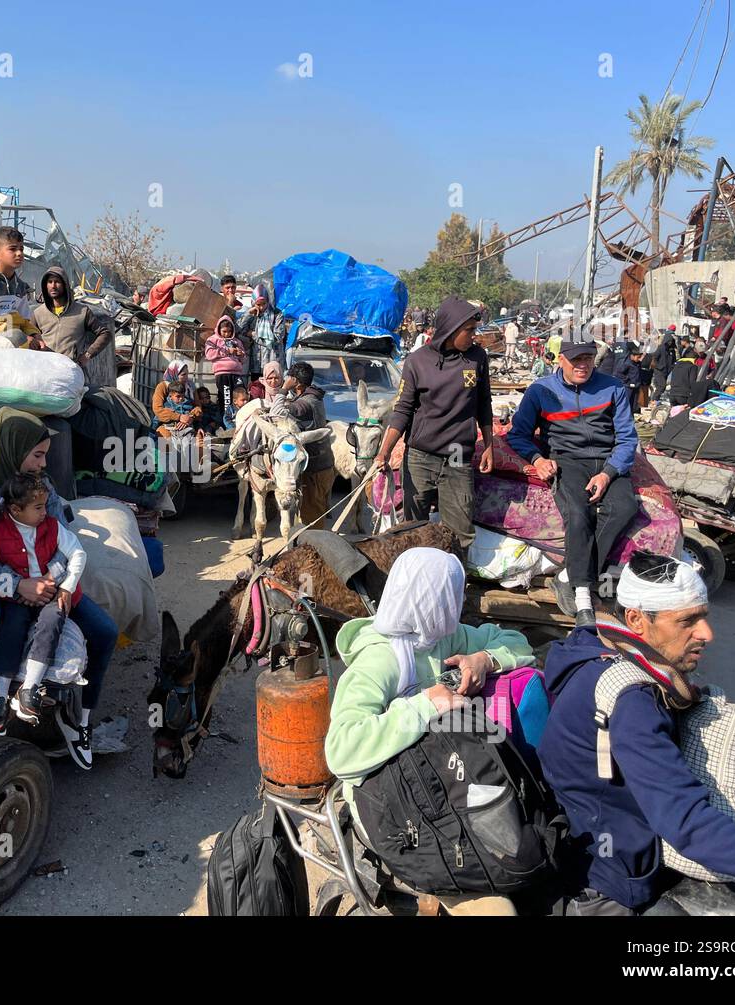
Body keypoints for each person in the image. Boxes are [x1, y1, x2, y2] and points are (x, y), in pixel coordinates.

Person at [538, 552, 735, 915]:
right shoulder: (632, 699)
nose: (707, 633)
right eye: (687, 621)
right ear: (636, 619)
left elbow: (706, 743)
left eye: (704, 616)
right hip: (611, 879)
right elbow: (687, 823)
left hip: (607, 832)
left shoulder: (603, 644)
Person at [326, 548, 535, 913]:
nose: (459, 603)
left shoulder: (442, 639)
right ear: (433, 601)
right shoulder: (380, 661)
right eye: (452, 594)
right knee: (498, 906)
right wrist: (424, 706)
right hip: (392, 804)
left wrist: (484, 659)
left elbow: (518, 643)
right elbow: (341, 750)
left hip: (437, 779)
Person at [0, 407, 118, 769]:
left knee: (105, 632)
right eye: (37, 455)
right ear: (14, 448)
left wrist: (50, 579)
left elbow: (64, 537)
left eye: (45, 455)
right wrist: (19, 585)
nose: (43, 463)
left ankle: (80, 720)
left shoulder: (43, 486)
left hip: (50, 587)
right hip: (6, 593)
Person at [508, 333, 638, 627]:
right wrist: (537, 459)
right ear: (561, 360)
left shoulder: (613, 387)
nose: (583, 365)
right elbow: (518, 434)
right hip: (567, 459)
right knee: (579, 514)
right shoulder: (540, 390)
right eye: (576, 359)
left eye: (588, 358)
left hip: (607, 460)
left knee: (624, 508)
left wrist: (608, 473)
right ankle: (583, 596)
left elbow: (627, 439)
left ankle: (568, 574)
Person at [374, 296, 494, 553]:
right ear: (451, 329)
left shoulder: (477, 358)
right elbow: (403, 410)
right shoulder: (417, 361)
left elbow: (484, 403)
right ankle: (416, 577)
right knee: (413, 531)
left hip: (458, 455)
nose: (474, 335)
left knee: (460, 532)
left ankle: (456, 577)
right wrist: (384, 452)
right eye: (469, 330)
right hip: (420, 455)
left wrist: (489, 446)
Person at [0, 473, 87, 728]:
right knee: (11, 631)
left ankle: (30, 687)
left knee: (53, 620)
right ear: (15, 510)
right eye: (38, 508)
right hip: (17, 600)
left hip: (50, 596)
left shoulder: (53, 527)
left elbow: (78, 553)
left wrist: (67, 587)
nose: (45, 512)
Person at [33, 264, 116, 389]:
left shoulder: (82, 311)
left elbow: (105, 333)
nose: (53, 286)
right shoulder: (38, 313)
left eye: (57, 282)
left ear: (65, 285)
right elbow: (29, 336)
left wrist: (87, 355)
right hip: (45, 372)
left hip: (70, 373)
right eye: (50, 282)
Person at [281, 361, 336, 526]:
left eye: (290, 378)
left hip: (314, 470)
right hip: (323, 466)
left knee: (312, 519)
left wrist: (283, 389)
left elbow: (277, 412)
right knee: (315, 510)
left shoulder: (305, 404)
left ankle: (315, 542)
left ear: (296, 382)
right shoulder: (312, 397)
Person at [238, 284, 288, 379]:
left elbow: (277, 338)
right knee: (256, 387)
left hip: (273, 362)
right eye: (258, 304)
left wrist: (253, 334)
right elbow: (239, 330)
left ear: (268, 301)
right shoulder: (252, 315)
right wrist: (248, 314)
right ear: (253, 302)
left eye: (264, 304)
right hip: (256, 364)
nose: (261, 307)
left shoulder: (277, 314)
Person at [204, 315, 247, 416]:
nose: (227, 334)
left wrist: (241, 355)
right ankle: (226, 419)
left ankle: (239, 418)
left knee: (240, 395)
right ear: (219, 329)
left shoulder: (237, 341)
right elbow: (209, 354)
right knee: (226, 398)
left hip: (236, 374)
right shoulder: (212, 340)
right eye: (224, 331)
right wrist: (227, 351)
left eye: (229, 331)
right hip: (222, 373)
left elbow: (244, 359)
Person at [151, 361, 200, 438]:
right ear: (174, 374)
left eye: (187, 374)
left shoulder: (190, 386)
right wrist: (179, 417)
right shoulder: (163, 386)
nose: (186, 377)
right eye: (183, 375)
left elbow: (198, 407)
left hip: (187, 423)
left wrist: (190, 417)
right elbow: (157, 409)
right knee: (164, 437)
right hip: (167, 423)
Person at [668, 339, 713, 412]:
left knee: (674, 414)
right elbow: (693, 383)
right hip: (684, 395)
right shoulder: (692, 366)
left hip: (673, 393)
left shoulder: (677, 364)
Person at [612, 343, 646, 417]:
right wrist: (628, 381)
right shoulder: (626, 363)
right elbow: (618, 373)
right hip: (628, 387)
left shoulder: (637, 363)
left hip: (636, 387)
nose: (639, 359)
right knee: (626, 403)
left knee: (633, 405)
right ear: (632, 356)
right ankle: (622, 417)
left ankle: (631, 416)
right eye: (638, 357)